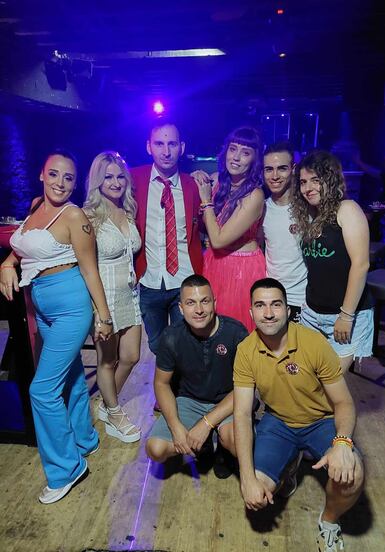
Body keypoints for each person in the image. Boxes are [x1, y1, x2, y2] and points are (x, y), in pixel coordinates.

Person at [0, 150, 112, 504]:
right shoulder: (36, 207)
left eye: (68, 178)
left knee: (42, 390)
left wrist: (104, 316)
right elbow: (21, 248)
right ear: (41, 176)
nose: (60, 183)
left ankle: (66, 468)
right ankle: (85, 440)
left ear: (75, 183)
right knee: (73, 377)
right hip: (42, 304)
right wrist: (6, 263)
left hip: (70, 304)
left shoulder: (73, 215)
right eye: (54, 175)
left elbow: (90, 269)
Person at [233, 278, 364, 552]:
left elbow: (344, 403)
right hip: (278, 422)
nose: (268, 313)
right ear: (251, 312)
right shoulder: (245, 351)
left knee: (352, 476)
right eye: (260, 305)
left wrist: (342, 443)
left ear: (288, 310)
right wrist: (246, 478)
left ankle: (329, 523)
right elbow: (243, 414)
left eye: (276, 305)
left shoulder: (313, 343)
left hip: (322, 422)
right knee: (258, 492)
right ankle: (289, 464)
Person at [145, 274, 248, 478]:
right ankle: (203, 445)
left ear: (214, 303)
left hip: (228, 400)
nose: (199, 310)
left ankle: (223, 450)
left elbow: (246, 388)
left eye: (205, 301)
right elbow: (161, 383)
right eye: (191, 303)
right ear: (181, 308)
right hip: (189, 401)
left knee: (237, 443)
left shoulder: (235, 333)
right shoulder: (172, 336)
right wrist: (176, 427)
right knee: (155, 449)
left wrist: (206, 424)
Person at [291, 150, 374, 372]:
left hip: (344, 315)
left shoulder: (347, 209)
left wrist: (346, 316)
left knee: (329, 385)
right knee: (307, 380)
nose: (308, 188)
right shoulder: (311, 216)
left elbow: (361, 264)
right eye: (303, 182)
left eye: (316, 180)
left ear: (330, 179)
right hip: (311, 314)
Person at [130, 121, 203, 357]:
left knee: (190, 343)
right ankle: (165, 389)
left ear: (181, 147)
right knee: (157, 345)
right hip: (149, 280)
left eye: (172, 144)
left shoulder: (193, 185)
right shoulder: (132, 180)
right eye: (159, 144)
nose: (166, 151)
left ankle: (183, 392)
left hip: (185, 278)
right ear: (148, 147)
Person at [84, 151, 142, 443]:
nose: (115, 182)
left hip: (131, 295)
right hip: (103, 297)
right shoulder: (88, 217)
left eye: (120, 176)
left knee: (131, 356)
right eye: (108, 176)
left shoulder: (128, 211)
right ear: (97, 180)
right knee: (106, 362)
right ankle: (114, 414)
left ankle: (108, 404)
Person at [192, 126, 266, 332]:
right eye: (233, 149)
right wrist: (196, 177)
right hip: (214, 264)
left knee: (234, 333)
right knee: (210, 331)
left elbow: (218, 239)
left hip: (241, 271)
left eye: (245, 153)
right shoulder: (217, 181)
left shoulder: (254, 195)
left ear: (254, 160)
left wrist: (206, 201)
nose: (236, 157)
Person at [262, 141, 307, 322]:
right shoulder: (261, 208)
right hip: (271, 298)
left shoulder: (308, 207)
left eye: (282, 168)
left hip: (302, 300)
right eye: (268, 169)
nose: (274, 176)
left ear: (293, 169)